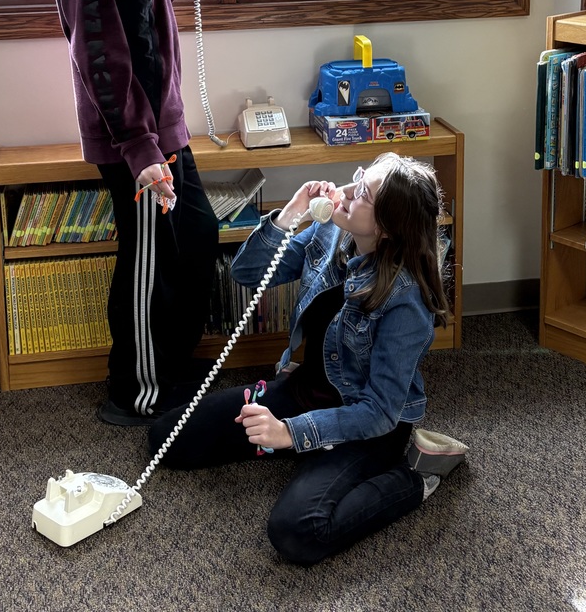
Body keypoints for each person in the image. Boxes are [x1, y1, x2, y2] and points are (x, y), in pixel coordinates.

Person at [147, 152, 469, 565]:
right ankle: (304, 448)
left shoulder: (406, 301)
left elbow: (378, 412)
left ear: (387, 227)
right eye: (356, 178)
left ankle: (416, 476)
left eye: (363, 193)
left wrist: (289, 433)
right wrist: (289, 216)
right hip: (304, 393)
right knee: (168, 438)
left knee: (298, 531)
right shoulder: (328, 230)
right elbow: (246, 273)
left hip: (368, 425)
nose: (347, 192)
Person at [23, 0, 218, 425]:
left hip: (162, 122)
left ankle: (171, 366)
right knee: (148, 262)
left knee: (195, 239)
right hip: (131, 133)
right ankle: (133, 393)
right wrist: (139, 150)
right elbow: (99, 46)